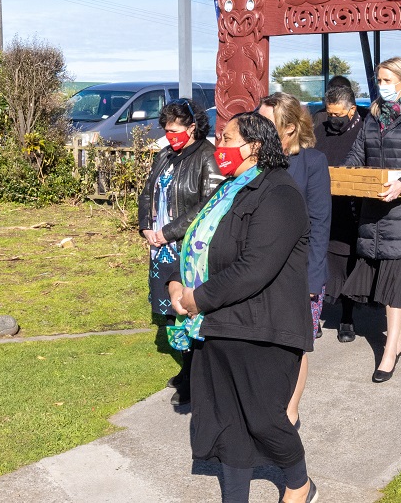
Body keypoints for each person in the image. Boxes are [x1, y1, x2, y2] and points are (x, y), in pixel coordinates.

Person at [174, 112, 317, 503]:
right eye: (219, 138)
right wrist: (175, 281)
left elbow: (256, 267)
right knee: (227, 422)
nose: (219, 146)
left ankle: (299, 483)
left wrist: (196, 299)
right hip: (219, 323)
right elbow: (197, 240)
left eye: (227, 138)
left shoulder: (280, 194)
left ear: (254, 145)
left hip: (263, 326)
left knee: (265, 419)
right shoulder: (228, 190)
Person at [340, 56, 401, 382]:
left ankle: (390, 348)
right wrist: (347, 173)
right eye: (378, 81)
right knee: (382, 277)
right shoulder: (373, 116)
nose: (381, 87)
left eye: (386, 81)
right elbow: (358, 152)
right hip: (375, 210)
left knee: (394, 283)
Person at [136, 98, 222, 407]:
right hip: (160, 245)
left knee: (186, 309)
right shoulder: (164, 155)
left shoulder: (208, 157)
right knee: (171, 312)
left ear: (192, 127)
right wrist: (146, 226)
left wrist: (170, 232)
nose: (170, 136)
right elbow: (148, 192)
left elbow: (207, 206)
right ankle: (187, 368)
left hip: (187, 246)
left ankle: (192, 375)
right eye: (166, 130)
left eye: (175, 130)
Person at [257, 92, 331, 428]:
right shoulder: (255, 161)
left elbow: (319, 224)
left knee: (296, 341)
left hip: (300, 271)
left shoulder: (312, 163)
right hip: (261, 269)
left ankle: (291, 411)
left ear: (288, 129)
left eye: (266, 123)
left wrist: (314, 281)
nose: (257, 129)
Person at [314, 83, 365, 343]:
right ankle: (316, 315)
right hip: (322, 207)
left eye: (337, 115)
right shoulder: (320, 127)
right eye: (329, 114)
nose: (332, 119)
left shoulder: (364, 129)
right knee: (318, 262)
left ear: (352, 109)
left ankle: (347, 316)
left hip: (351, 208)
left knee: (346, 263)